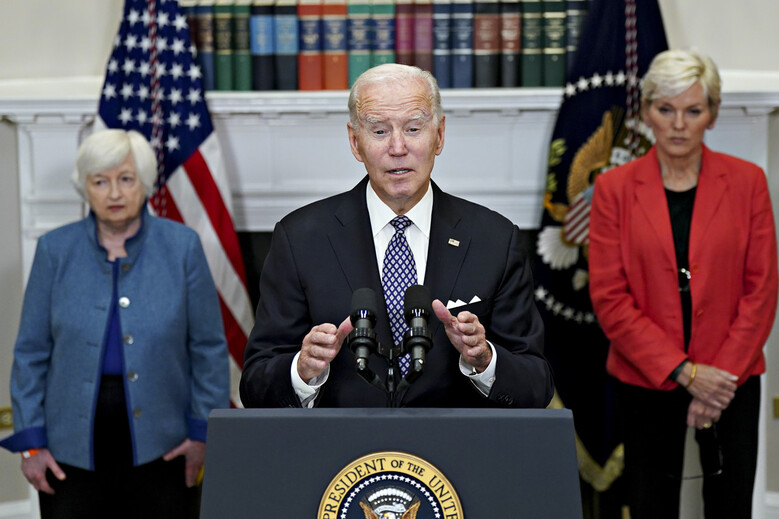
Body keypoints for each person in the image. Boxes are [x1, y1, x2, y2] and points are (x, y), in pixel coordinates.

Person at [240, 63, 552, 409]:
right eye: (379, 132)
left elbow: (536, 386)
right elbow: (255, 385)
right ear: (355, 142)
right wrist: (301, 370)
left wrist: (485, 360)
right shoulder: (300, 239)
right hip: (342, 456)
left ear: (440, 135)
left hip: (454, 455)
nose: (398, 147)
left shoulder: (494, 239)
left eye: (414, 128)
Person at [0, 129, 230, 519]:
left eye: (126, 179)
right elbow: (30, 354)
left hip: (165, 443)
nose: (115, 193)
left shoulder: (182, 246)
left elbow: (208, 348)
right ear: (84, 187)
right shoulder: (55, 250)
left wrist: (200, 434)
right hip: (68, 447)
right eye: (100, 181)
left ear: (143, 182)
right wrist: (32, 446)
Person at [588, 49, 778, 519]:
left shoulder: (748, 182)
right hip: (647, 374)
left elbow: (762, 290)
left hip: (732, 377)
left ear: (711, 114)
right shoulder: (613, 188)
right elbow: (611, 300)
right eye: (665, 109)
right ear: (647, 111)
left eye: (693, 111)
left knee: (731, 504)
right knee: (651, 504)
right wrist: (686, 373)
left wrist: (716, 382)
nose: (678, 124)